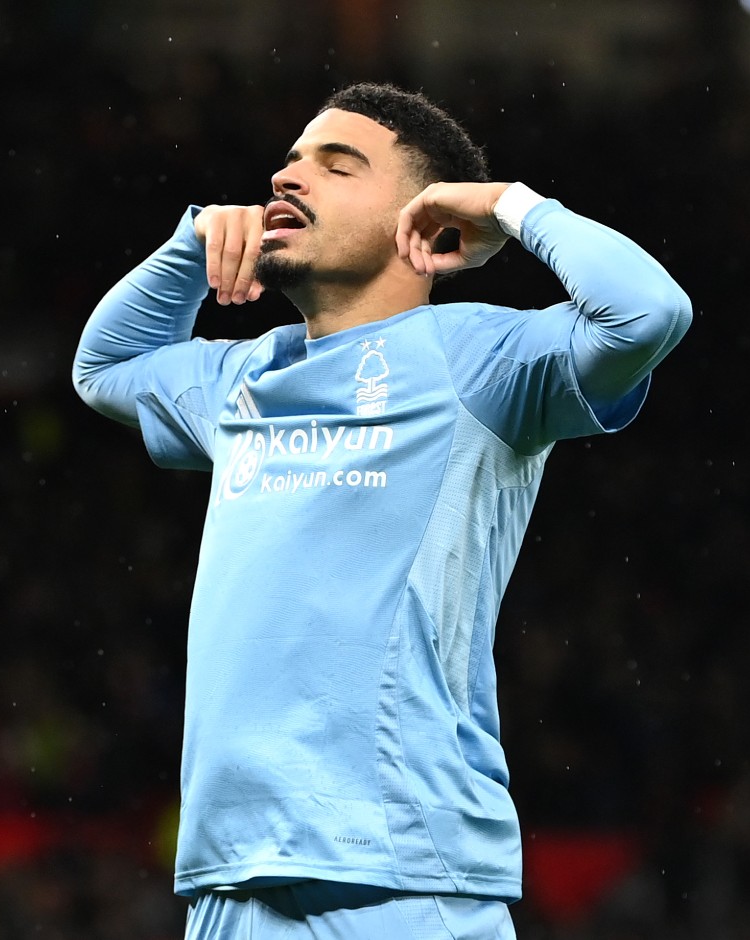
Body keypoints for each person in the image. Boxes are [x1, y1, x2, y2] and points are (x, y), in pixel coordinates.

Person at [73, 82, 691, 939]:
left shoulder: (481, 359)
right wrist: (190, 245)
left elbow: (648, 313)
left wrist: (510, 206)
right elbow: (103, 370)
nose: (289, 179)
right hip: (230, 883)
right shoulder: (240, 376)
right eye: (291, 161)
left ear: (427, 225)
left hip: (398, 878)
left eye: (339, 165)